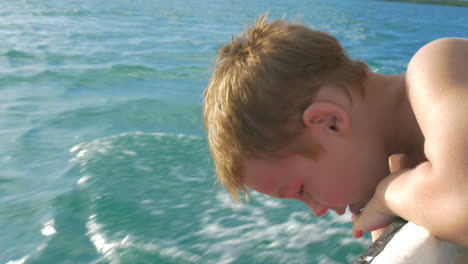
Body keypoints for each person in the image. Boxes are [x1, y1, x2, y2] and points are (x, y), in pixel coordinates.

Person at [203, 14, 468, 247]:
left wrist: (387, 196)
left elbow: (461, 209)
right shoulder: (396, 162)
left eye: (303, 189)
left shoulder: (439, 67)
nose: (317, 211)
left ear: (330, 122)